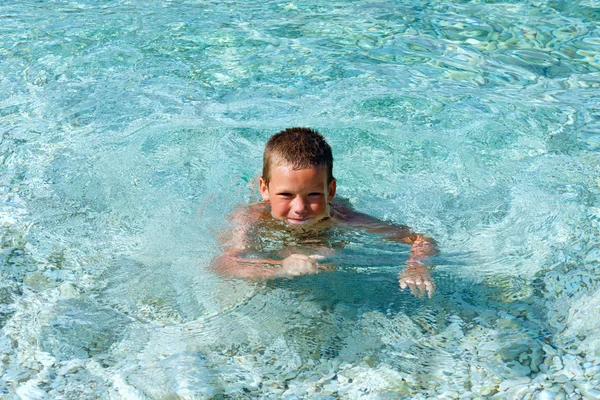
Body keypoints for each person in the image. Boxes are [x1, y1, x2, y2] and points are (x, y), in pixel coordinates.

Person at [211, 127, 438, 298]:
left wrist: (416, 265)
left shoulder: (344, 218)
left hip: (323, 225)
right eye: (286, 195)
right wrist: (280, 268)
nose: (300, 208)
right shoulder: (250, 218)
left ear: (330, 191)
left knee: (326, 255)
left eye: (313, 195)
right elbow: (224, 264)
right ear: (265, 190)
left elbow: (420, 239)